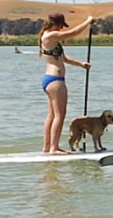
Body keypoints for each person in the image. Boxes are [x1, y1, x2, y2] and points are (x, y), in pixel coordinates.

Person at [38, 12, 93, 154]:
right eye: (61, 25)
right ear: (55, 24)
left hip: (50, 80)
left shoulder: (49, 37)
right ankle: (54, 148)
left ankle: (47, 147)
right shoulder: (50, 35)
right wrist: (87, 21)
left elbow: (63, 58)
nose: (61, 29)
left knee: (52, 115)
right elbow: (73, 33)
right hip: (55, 81)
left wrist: (81, 64)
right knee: (59, 115)